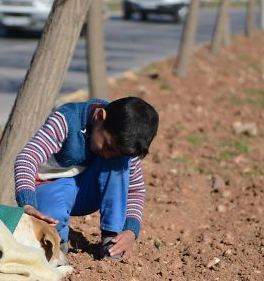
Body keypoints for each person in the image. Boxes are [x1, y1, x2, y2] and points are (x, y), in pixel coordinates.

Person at [14, 96, 159, 260]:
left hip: (88, 191)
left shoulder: (125, 142)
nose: (107, 154)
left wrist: (131, 231)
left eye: (114, 151)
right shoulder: (66, 120)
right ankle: (58, 242)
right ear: (99, 117)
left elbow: (135, 189)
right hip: (51, 189)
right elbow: (27, 158)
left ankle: (112, 239)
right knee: (51, 227)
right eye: (107, 145)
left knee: (119, 162)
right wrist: (28, 204)